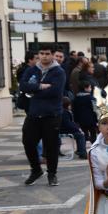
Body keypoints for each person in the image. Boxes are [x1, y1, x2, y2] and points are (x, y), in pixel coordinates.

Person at [19, 43, 66, 186]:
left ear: (52, 55)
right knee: (28, 141)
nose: (44, 56)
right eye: (41, 53)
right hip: (34, 113)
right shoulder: (32, 70)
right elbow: (23, 86)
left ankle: (52, 174)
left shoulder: (58, 72)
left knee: (51, 146)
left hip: (52, 114)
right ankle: (36, 170)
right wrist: (40, 86)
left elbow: (55, 92)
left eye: (47, 53)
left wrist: (34, 91)